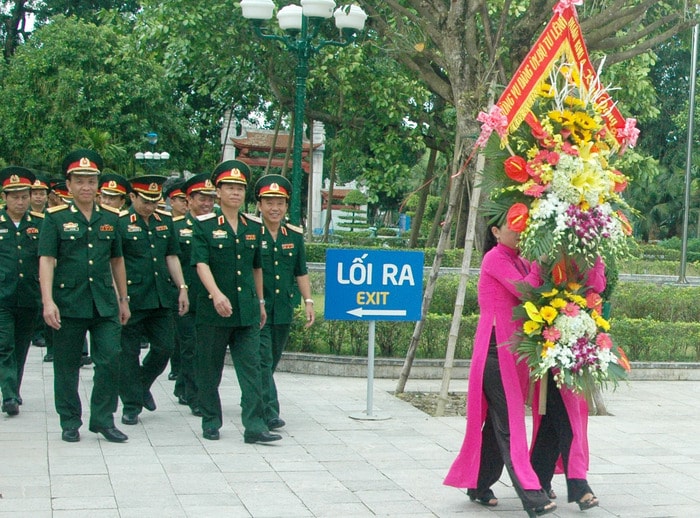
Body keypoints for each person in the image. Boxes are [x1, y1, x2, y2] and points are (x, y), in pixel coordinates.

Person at [444, 220, 556, 517]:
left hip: (513, 352)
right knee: (510, 424)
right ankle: (532, 495)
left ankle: (479, 484)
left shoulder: (519, 260)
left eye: (524, 225)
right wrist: (541, 262)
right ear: (495, 230)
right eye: (514, 225)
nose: (521, 231)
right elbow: (528, 290)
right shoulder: (494, 258)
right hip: (495, 352)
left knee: (499, 425)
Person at [38, 149, 130, 443]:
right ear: (69, 184)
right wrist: (48, 301)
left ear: (98, 183)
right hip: (68, 302)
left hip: (103, 301)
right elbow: (46, 259)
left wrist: (123, 298)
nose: (86, 187)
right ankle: (69, 420)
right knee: (67, 365)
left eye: (91, 180)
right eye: (80, 181)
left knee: (111, 357)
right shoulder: (55, 218)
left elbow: (117, 260)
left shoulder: (111, 218)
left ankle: (103, 419)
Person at [191, 159, 280, 444]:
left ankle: (254, 426)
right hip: (214, 310)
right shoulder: (204, 226)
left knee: (252, 368)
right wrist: (216, 294)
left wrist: (262, 302)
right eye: (229, 187)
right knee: (209, 367)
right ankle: (211, 420)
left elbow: (256, 267)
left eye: (239, 188)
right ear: (217, 192)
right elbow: (200, 264)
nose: (235, 193)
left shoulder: (253, 226)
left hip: (247, 310)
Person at [529, 258, 606, 511]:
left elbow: (598, 284)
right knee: (566, 419)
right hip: (552, 344)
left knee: (555, 421)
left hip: (579, 344)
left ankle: (538, 479)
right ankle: (578, 485)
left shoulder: (587, 252)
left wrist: (592, 259)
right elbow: (533, 288)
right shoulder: (545, 254)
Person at [117, 175, 189, 426]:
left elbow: (171, 256)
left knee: (165, 348)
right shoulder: (121, 223)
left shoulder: (164, 221)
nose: (150, 206)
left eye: (154, 201)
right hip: (133, 298)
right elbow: (116, 262)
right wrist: (120, 297)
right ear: (133, 197)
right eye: (145, 201)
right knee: (128, 354)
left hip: (160, 297)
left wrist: (182, 287)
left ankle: (140, 384)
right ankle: (131, 405)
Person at [254, 174, 315, 431]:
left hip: (283, 308)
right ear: (259, 205)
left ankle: (256, 397)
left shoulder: (294, 235)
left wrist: (308, 300)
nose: (274, 208)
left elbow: (300, 271)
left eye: (280, 203)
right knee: (263, 359)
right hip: (258, 308)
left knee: (272, 359)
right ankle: (269, 412)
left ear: (286, 206)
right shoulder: (250, 233)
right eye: (269, 202)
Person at [171, 173, 217, 415]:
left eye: (211, 199)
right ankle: (194, 395)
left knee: (204, 347)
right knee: (190, 346)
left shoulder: (217, 227)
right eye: (202, 199)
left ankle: (182, 386)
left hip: (209, 298)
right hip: (185, 297)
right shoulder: (176, 227)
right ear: (188, 200)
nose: (207, 204)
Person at [0, 167, 42, 416]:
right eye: (14, 196)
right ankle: (9, 395)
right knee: (4, 345)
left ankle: (13, 388)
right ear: (5, 197)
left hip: (29, 295)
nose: (20, 201)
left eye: (24, 196)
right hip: (2, 295)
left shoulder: (39, 224)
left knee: (21, 345)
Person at [163, 178, 188, 381]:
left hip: (191, 286)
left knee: (188, 336)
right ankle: (176, 367)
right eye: (180, 199)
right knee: (175, 334)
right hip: (171, 286)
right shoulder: (166, 224)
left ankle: (182, 374)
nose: (184, 203)